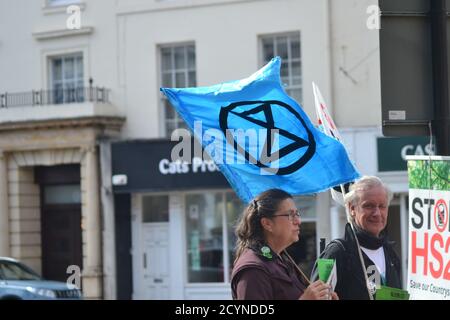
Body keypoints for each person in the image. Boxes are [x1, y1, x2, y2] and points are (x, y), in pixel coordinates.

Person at [231, 188, 338, 300]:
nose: (298, 221)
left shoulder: (281, 259)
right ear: (267, 223)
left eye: (297, 214)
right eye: (290, 215)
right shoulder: (253, 270)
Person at [311, 176, 402, 300]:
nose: (377, 213)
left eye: (382, 206)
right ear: (352, 208)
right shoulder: (336, 253)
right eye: (369, 206)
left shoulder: (390, 253)